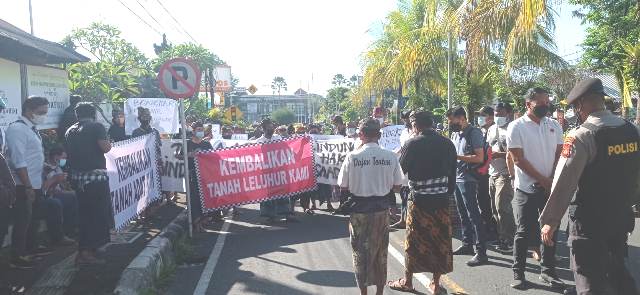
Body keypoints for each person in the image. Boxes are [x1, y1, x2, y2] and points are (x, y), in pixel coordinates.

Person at [540, 78, 640, 295]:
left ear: (581, 104)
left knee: (588, 282)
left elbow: (563, 183)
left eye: (576, 106)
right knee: (617, 272)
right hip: (621, 218)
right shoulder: (632, 130)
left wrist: (550, 221)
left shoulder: (581, 135)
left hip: (589, 224)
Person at [387, 111, 457, 294]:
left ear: (415, 125)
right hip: (441, 201)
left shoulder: (412, 143)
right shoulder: (447, 143)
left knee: (414, 241)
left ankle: (408, 281)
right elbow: (452, 175)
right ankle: (435, 284)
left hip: (419, 201)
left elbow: (400, 172)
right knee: (440, 242)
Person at [337, 118, 404, 295]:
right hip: (381, 211)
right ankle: (379, 292)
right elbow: (398, 185)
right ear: (380, 135)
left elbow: (343, 185)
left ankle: (364, 293)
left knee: (360, 253)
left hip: (359, 211)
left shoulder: (352, 157)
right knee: (380, 253)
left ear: (361, 135)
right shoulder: (390, 156)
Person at [506, 87, 564, 289]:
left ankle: (548, 271)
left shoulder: (554, 125)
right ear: (528, 104)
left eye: (547, 102)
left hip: (549, 188)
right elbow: (518, 159)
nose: (545, 106)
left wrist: (551, 179)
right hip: (526, 189)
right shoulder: (516, 126)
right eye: (540, 103)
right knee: (523, 232)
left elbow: (560, 155)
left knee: (551, 230)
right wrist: (542, 179)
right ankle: (519, 273)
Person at [5, 96, 50, 269]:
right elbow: (18, 161)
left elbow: (31, 156)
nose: (44, 115)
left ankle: (31, 249)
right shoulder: (17, 129)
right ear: (29, 110)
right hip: (22, 184)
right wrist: (28, 186)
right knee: (22, 220)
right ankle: (17, 256)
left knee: (33, 218)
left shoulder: (31, 129)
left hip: (35, 182)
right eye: (41, 112)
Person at [65, 102, 112, 265]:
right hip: (95, 180)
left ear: (77, 115)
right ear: (93, 114)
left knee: (85, 216)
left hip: (78, 180)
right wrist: (109, 143)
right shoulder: (96, 127)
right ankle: (88, 252)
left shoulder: (70, 131)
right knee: (97, 215)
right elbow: (105, 148)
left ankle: (85, 250)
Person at [447, 106, 489, 266]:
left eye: (452, 120)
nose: (451, 124)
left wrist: (456, 156)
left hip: (469, 179)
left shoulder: (474, 133)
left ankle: (481, 252)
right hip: (457, 178)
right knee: (462, 213)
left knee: (473, 215)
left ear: (462, 118)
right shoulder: (455, 134)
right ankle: (467, 244)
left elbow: (479, 158)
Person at [486, 102, 516, 252]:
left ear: (509, 114)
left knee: (502, 206)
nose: (498, 117)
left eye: (501, 114)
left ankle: (509, 239)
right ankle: (502, 236)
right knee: (494, 208)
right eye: (496, 114)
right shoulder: (491, 129)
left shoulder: (514, 129)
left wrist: (501, 155)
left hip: (506, 173)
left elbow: (517, 154)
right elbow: (487, 149)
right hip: (492, 172)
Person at [255, 118, 295, 223]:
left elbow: (287, 149)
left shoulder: (278, 138)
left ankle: (287, 214)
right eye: (269, 126)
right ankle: (270, 215)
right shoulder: (259, 142)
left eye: (272, 126)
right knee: (269, 194)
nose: (272, 127)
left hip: (280, 171)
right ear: (264, 128)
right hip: (266, 172)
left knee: (283, 192)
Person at [179, 121, 216, 232]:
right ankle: (196, 223)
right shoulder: (187, 144)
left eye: (201, 130)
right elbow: (179, 156)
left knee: (203, 199)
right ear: (193, 131)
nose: (200, 132)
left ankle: (203, 221)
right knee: (193, 200)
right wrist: (188, 155)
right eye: (198, 130)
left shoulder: (206, 144)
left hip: (204, 176)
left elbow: (213, 157)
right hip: (192, 175)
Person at [42, 146, 79, 240]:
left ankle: (72, 229)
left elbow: (62, 185)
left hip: (59, 193)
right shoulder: (45, 168)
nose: (64, 160)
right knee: (67, 199)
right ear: (56, 157)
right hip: (49, 195)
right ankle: (64, 233)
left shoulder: (58, 168)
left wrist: (65, 184)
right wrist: (56, 180)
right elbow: (45, 188)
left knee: (75, 195)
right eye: (63, 158)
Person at [476, 106, 498, 242]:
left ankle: (494, 229)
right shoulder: (482, 131)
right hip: (482, 172)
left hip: (492, 171)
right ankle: (487, 225)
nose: (480, 118)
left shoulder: (496, 131)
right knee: (482, 200)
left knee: (492, 202)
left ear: (490, 117)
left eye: (482, 115)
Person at [391, 110, 414, 229]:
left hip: (415, 168)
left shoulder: (417, 133)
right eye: (404, 120)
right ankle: (403, 219)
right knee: (403, 194)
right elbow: (402, 147)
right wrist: (393, 154)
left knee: (412, 195)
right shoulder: (404, 132)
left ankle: (410, 219)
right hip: (404, 166)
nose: (406, 122)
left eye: (407, 119)